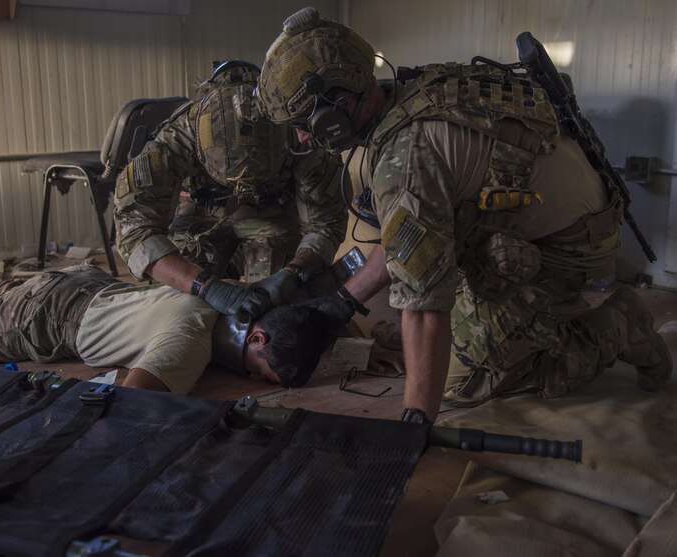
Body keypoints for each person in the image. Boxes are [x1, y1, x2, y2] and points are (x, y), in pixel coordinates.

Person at [254, 7, 672, 424]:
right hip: (544, 225)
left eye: (301, 122)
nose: (302, 136)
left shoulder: (406, 160)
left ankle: (617, 325)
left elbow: (423, 306)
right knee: (430, 314)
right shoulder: (410, 95)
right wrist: (340, 304)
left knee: (462, 380)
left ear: (338, 103)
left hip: (569, 249)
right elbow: (404, 242)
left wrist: (414, 423)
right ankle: (524, 318)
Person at [114, 60, 349, 320]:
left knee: (277, 309)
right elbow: (134, 229)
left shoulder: (301, 136)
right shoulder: (176, 139)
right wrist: (204, 285)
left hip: (272, 211)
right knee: (179, 306)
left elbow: (325, 224)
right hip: (203, 209)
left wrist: (296, 270)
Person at [0, 265, 337, 394]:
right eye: (261, 373)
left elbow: (312, 316)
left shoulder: (243, 298)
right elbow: (135, 401)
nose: (253, 380)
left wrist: (352, 350)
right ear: (256, 338)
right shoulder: (189, 341)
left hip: (78, 284)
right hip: (42, 319)